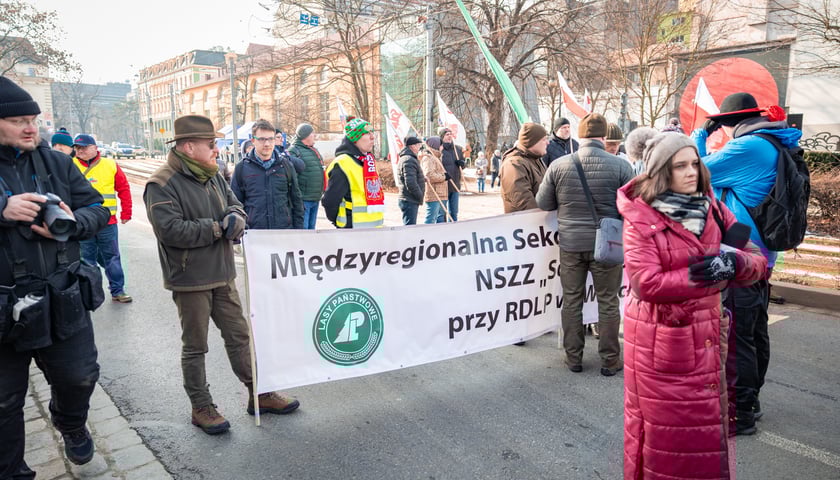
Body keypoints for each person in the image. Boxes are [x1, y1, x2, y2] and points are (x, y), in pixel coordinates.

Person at [618, 132, 767, 479]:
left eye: (694, 164)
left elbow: (756, 259)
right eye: (679, 166)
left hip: (709, 337)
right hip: (662, 341)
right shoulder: (641, 216)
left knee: (705, 434)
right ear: (660, 172)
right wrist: (705, 277)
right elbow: (645, 282)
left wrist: (736, 264)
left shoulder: (713, 208)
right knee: (666, 439)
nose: (691, 172)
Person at [144, 115, 300, 436]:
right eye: (211, 144)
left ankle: (259, 393)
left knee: (239, 336)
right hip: (190, 279)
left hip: (223, 272)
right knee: (195, 346)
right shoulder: (161, 183)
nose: (217, 150)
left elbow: (235, 204)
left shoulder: (213, 174)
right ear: (189, 147)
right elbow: (170, 230)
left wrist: (237, 217)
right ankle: (201, 406)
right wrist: (218, 228)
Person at [0, 77, 111, 477]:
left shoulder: (58, 163)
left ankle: (71, 423)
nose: (31, 128)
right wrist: (2, 208)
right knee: (3, 403)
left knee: (79, 376)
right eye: (18, 121)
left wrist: (73, 222)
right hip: (3, 304)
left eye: (33, 119)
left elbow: (99, 209)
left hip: (62, 294)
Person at [691, 92, 802, 435]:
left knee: (738, 338)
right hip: (761, 255)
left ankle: (740, 413)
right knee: (753, 331)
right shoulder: (774, 142)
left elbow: (694, 173)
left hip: (740, 257)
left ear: (728, 123)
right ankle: (751, 400)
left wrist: (699, 136)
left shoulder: (747, 147)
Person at [536, 113, 633, 376]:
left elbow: (543, 203)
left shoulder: (559, 165)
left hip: (570, 243)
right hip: (607, 245)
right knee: (608, 301)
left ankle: (573, 358)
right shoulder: (621, 166)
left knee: (571, 300)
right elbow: (633, 206)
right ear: (603, 137)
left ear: (580, 135)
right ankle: (610, 360)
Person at [71, 134, 134, 303]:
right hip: (82, 223)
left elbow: (123, 188)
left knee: (112, 257)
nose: (80, 150)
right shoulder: (70, 165)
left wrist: (126, 212)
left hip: (108, 222)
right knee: (86, 260)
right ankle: (90, 294)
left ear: (94, 148)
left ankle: (118, 291)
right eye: (77, 148)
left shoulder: (110, 165)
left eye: (84, 147)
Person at [231, 119, 303, 230]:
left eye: (270, 139)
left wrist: (298, 231)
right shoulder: (242, 168)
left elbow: (297, 201)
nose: (267, 144)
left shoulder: (286, 166)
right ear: (253, 140)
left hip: (283, 231)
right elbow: (235, 204)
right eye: (262, 139)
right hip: (254, 232)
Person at [322, 118, 384, 228]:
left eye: (372, 133)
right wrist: (341, 221)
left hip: (375, 228)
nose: (372, 137)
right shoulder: (343, 163)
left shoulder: (368, 161)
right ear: (355, 138)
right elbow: (330, 201)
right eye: (367, 133)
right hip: (351, 229)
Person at [499, 123, 548, 213]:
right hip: (526, 220)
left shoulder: (536, 160)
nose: (548, 142)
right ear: (533, 141)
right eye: (544, 139)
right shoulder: (513, 164)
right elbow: (523, 201)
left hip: (541, 218)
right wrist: (543, 216)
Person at [288, 123, 325, 229]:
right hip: (303, 200)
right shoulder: (294, 151)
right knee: (304, 231)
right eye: (312, 133)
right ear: (306, 136)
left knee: (311, 230)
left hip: (315, 198)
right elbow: (291, 176)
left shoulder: (313, 150)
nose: (314, 135)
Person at [437, 127, 465, 222]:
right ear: (442, 137)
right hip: (443, 185)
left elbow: (462, 165)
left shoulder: (457, 149)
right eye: (447, 134)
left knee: (454, 212)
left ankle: (454, 227)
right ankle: (441, 228)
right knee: (441, 212)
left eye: (450, 134)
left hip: (455, 184)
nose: (449, 136)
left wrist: (462, 164)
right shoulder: (439, 149)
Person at [396, 136, 425, 225]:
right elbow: (410, 182)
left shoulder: (409, 158)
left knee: (410, 226)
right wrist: (419, 195)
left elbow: (411, 176)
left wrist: (422, 178)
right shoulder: (408, 160)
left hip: (409, 198)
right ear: (412, 146)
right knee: (409, 227)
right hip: (409, 199)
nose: (419, 147)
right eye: (418, 145)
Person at [421, 136, 449, 224]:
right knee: (431, 218)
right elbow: (429, 175)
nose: (442, 147)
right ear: (436, 145)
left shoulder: (437, 157)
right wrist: (444, 177)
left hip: (441, 192)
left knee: (440, 217)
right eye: (441, 145)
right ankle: (427, 232)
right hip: (434, 193)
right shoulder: (428, 158)